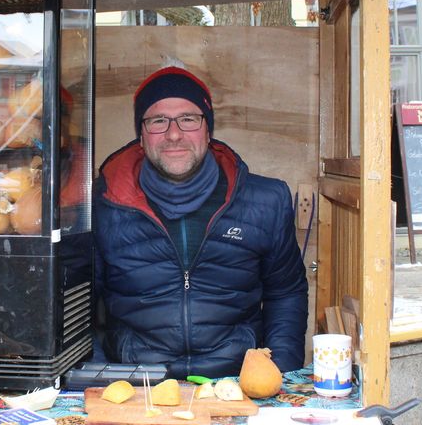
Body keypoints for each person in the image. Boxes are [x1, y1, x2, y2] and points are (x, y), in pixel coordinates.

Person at [92, 66, 308, 378]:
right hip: (137, 382)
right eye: (158, 121)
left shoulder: (266, 200)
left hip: (235, 381)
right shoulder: (104, 205)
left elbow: (286, 292)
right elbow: (78, 304)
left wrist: (280, 375)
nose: (174, 134)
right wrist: (99, 377)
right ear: (141, 135)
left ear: (208, 131)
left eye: (188, 119)